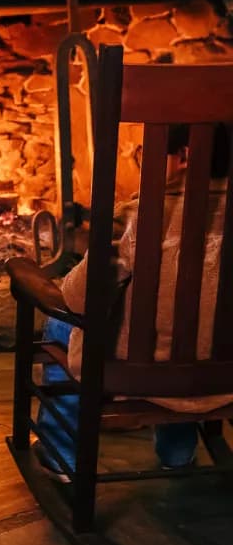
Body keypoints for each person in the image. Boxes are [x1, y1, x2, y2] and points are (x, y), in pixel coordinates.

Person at [36, 123, 233, 480]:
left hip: (141, 373)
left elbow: (80, 298)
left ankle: (59, 451)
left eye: (147, 154)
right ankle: (177, 454)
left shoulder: (137, 216)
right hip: (223, 374)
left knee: (62, 322)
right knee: (194, 334)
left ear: (186, 157)